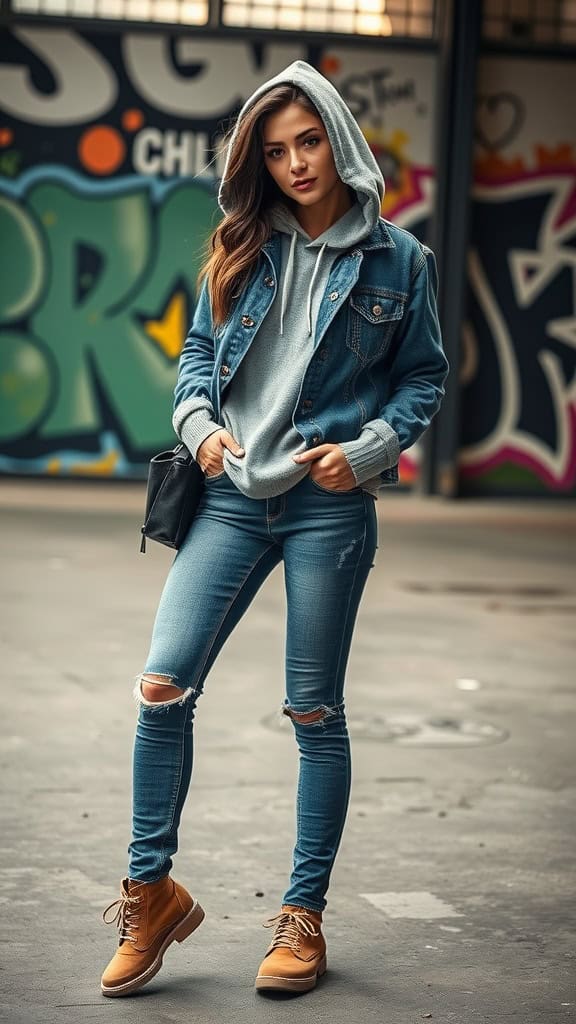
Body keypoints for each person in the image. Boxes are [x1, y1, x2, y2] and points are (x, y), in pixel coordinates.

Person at [100, 59, 448, 999]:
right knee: (163, 685)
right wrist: (201, 430)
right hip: (228, 498)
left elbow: (424, 378)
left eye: (308, 142)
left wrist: (371, 451)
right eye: (277, 149)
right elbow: (195, 362)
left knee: (313, 711)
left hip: (329, 505)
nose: (296, 163)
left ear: (338, 140)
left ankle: (303, 917)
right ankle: (151, 891)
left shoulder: (398, 262)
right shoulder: (239, 244)